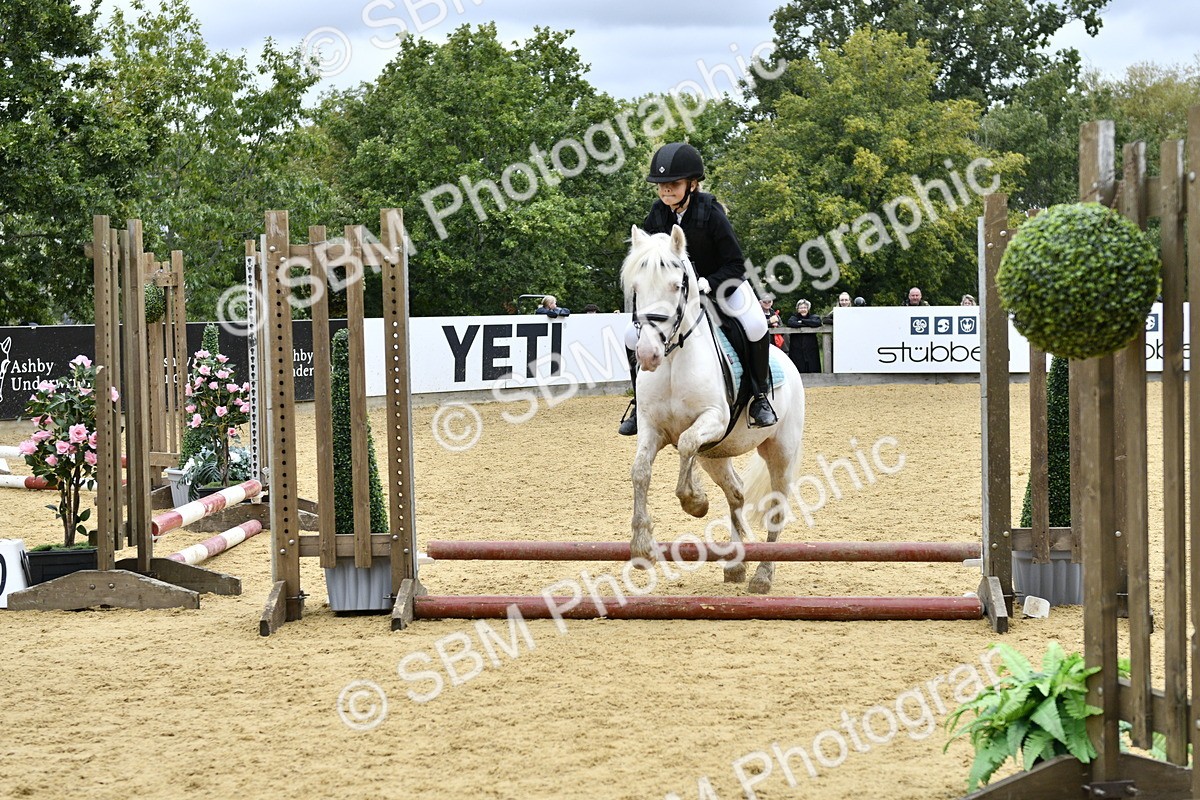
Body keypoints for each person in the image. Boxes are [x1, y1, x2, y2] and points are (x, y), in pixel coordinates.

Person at [619, 142, 777, 435]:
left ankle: (759, 396)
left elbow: (736, 264)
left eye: (673, 185)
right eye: (661, 186)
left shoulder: (711, 213)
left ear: (692, 184)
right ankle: (637, 401)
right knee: (632, 335)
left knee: (755, 325)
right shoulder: (657, 215)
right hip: (676, 294)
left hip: (721, 283)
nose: (666, 191)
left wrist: (707, 283)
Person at [786, 299, 822, 373]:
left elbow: (817, 322)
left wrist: (802, 321)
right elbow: (791, 323)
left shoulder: (813, 316)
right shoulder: (794, 317)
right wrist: (808, 324)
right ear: (798, 309)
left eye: (805, 308)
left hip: (811, 348)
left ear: (808, 309)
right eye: (801, 308)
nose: (803, 310)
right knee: (797, 368)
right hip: (797, 349)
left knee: (813, 367)